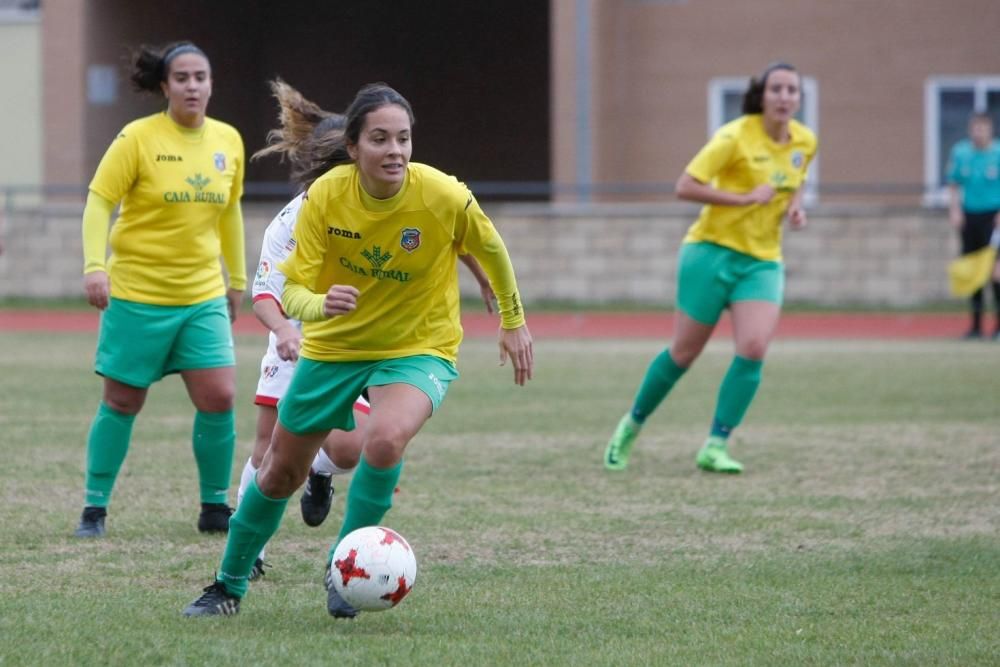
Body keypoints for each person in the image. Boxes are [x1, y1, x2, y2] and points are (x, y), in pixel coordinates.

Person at [183, 82, 532, 617]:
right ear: (353, 148)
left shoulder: (443, 194)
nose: (394, 150)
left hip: (418, 346)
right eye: (380, 139)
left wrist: (513, 320)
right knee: (278, 471)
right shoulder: (324, 198)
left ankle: (343, 571)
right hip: (335, 347)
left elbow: (489, 246)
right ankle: (228, 585)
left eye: (403, 139)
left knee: (385, 440)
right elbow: (291, 290)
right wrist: (320, 304)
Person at [238, 80, 498, 580]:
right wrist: (285, 332)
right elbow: (267, 294)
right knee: (268, 448)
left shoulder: (394, 201)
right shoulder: (296, 219)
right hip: (295, 333)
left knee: (346, 449)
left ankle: (320, 476)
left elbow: (453, 233)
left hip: (359, 340)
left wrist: (485, 276)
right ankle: (251, 555)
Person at [603, 61, 817, 475]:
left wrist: (795, 207)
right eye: (777, 89)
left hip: (762, 260)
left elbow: (798, 176)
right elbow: (685, 186)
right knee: (684, 352)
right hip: (710, 252)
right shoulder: (734, 136)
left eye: (793, 91)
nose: (785, 97)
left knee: (754, 348)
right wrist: (745, 198)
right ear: (762, 94)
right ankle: (631, 425)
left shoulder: (805, 141)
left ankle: (716, 444)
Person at [74, 41, 246, 538]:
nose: (193, 86)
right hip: (137, 295)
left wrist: (236, 279)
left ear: (211, 84)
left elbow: (230, 212)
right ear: (165, 86)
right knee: (123, 401)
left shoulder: (228, 141)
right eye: (183, 78)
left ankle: (215, 507)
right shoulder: (137, 138)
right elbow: (98, 200)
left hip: (201, 296)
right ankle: (94, 509)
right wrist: (93, 266)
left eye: (201, 77)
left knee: (220, 395)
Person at [947, 111, 1000, 340]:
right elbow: (954, 184)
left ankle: (998, 327)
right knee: (973, 272)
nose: (979, 133)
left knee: (996, 272)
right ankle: (976, 327)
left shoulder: (998, 153)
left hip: (995, 219)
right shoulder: (961, 153)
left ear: (990, 130)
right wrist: (955, 210)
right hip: (970, 218)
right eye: (975, 128)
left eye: (983, 128)